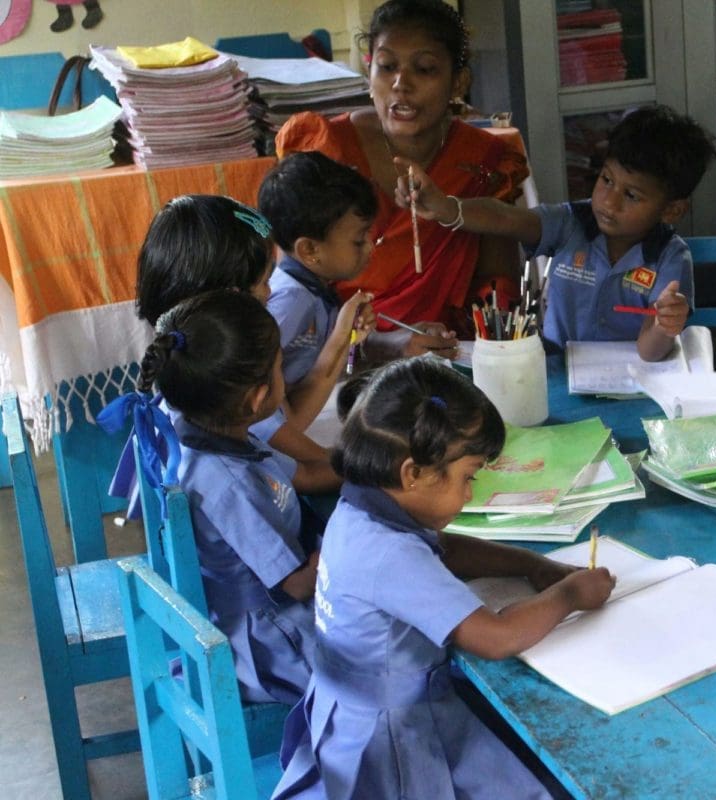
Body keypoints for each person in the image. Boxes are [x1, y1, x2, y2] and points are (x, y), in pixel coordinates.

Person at [271, 359, 615, 800]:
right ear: (412, 473)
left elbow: (445, 550)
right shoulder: (389, 553)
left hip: (352, 714)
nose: (470, 493)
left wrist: (531, 564)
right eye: (468, 477)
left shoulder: (361, 508)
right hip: (393, 744)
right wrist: (569, 593)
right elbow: (496, 638)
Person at [275, 0, 530, 333]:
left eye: (424, 69)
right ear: (369, 72)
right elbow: (294, 287)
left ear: (458, 83)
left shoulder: (483, 159)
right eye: (386, 66)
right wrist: (372, 347)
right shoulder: (325, 149)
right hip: (338, 359)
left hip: (445, 353)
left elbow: (497, 285)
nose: (400, 84)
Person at [398, 104, 716, 360]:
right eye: (606, 180)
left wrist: (664, 325)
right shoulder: (571, 223)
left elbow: (649, 351)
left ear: (672, 209)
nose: (609, 200)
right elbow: (506, 218)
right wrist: (447, 208)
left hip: (632, 383)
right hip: (554, 373)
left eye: (631, 195)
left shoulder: (671, 257)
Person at [134, 290, 321, 705]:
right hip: (263, 645)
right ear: (257, 399)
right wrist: (338, 552)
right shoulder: (230, 483)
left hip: (230, 617)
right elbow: (296, 585)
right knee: (391, 657)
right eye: (280, 368)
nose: (285, 377)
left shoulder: (190, 431)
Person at [130, 194, 338, 492]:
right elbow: (309, 469)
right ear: (232, 299)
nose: (271, 293)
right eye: (266, 281)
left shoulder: (186, 374)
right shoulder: (228, 398)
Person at [258, 151, 461, 431]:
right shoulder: (292, 301)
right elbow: (253, 378)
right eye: (358, 240)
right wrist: (307, 458)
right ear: (310, 250)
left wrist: (398, 343)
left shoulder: (314, 288)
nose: (370, 246)